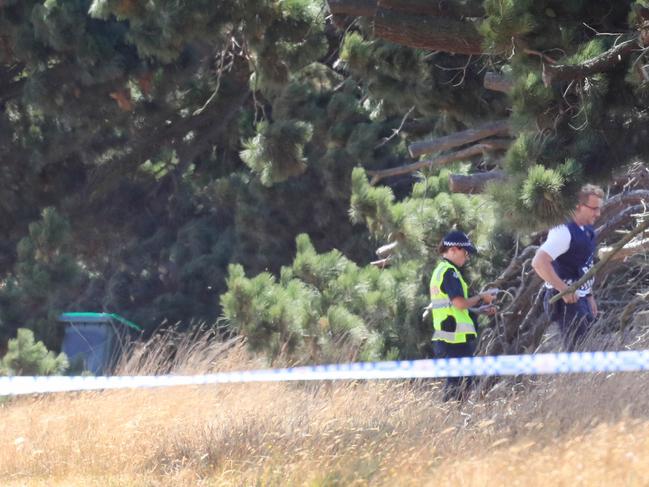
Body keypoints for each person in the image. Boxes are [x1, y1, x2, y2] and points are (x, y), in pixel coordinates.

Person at [532, 184, 605, 351]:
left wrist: (589, 295)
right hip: (566, 300)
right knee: (578, 352)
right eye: (594, 208)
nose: (598, 213)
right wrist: (563, 289)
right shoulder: (562, 231)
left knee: (588, 348)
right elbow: (538, 262)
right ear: (578, 206)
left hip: (581, 298)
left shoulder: (586, 228)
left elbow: (583, 264)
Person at [429, 230, 497, 401]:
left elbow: (453, 307)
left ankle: (452, 420)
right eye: (465, 252)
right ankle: (450, 420)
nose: (467, 257)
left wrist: (479, 310)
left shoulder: (440, 271)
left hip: (448, 337)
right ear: (453, 250)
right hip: (454, 340)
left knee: (458, 384)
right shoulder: (450, 272)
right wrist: (482, 297)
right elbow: (459, 303)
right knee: (459, 386)